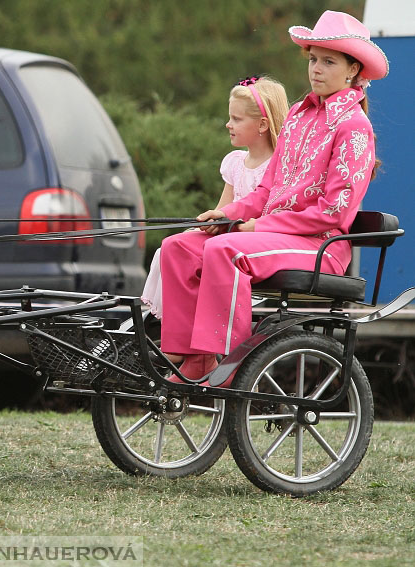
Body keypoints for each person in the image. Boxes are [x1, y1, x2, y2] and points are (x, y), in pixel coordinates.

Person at [158, 10, 388, 386]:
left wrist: (259, 225)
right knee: (179, 247)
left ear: (353, 70)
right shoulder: (298, 116)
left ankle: (230, 366)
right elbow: (269, 189)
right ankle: (192, 358)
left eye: (328, 61)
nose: (316, 68)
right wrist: (227, 212)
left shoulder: (354, 128)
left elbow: (334, 213)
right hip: (275, 236)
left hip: (320, 246)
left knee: (226, 250)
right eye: (313, 58)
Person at [141, 75, 289, 318]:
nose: (228, 124)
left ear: (262, 125)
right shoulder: (235, 163)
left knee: (200, 254)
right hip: (227, 237)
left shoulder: (279, 166)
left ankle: (196, 330)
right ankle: (175, 325)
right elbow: (223, 209)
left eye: (236, 119)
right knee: (171, 247)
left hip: (250, 245)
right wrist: (210, 224)